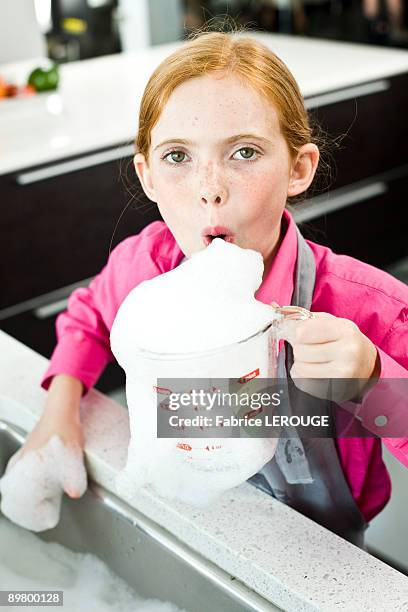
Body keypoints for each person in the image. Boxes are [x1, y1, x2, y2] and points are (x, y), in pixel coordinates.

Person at [13, 27, 408, 545]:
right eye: (178, 156)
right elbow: (87, 317)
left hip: (325, 544)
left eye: (244, 152)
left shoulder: (370, 307)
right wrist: (59, 410)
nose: (210, 190)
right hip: (196, 517)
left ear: (298, 168)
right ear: (148, 176)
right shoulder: (146, 269)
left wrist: (373, 382)